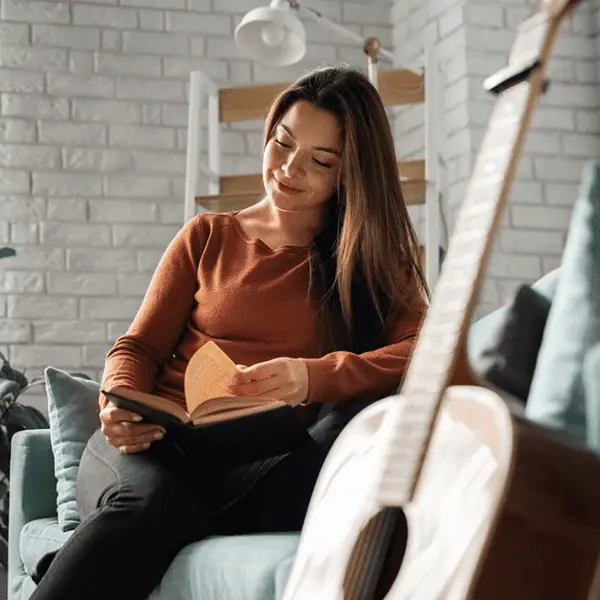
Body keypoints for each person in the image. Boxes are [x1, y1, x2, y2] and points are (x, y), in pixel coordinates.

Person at [29, 64, 428, 600]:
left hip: (256, 466)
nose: (288, 169)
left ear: (350, 173)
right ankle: (108, 545)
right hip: (150, 447)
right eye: (282, 144)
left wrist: (313, 377)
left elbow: (425, 351)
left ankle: (88, 554)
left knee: (333, 452)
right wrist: (116, 404)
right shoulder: (208, 236)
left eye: (320, 161)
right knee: (155, 503)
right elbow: (138, 346)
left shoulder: (371, 263)